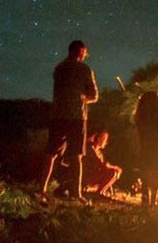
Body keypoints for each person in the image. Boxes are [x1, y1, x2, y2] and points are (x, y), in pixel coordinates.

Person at [41, 40, 99, 201]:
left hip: (57, 116)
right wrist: (82, 99)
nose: (85, 55)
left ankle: (42, 190)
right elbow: (94, 96)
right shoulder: (84, 69)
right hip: (76, 117)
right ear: (81, 51)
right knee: (76, 156)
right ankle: (76, 194)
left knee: (50, 154)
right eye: (84, 52)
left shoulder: (59, 68)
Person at [82, 129, 122, 196]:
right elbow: (102, 165)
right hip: (87, 176)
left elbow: (104, 165)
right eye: (105, 139)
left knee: (114, 172)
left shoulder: (99, 152)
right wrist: (115, 168)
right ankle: (99, 192)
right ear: (99, 139)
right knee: (112, 172)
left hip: (94, 175)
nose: (106, 142)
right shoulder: (90, 150)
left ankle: (101, 192)